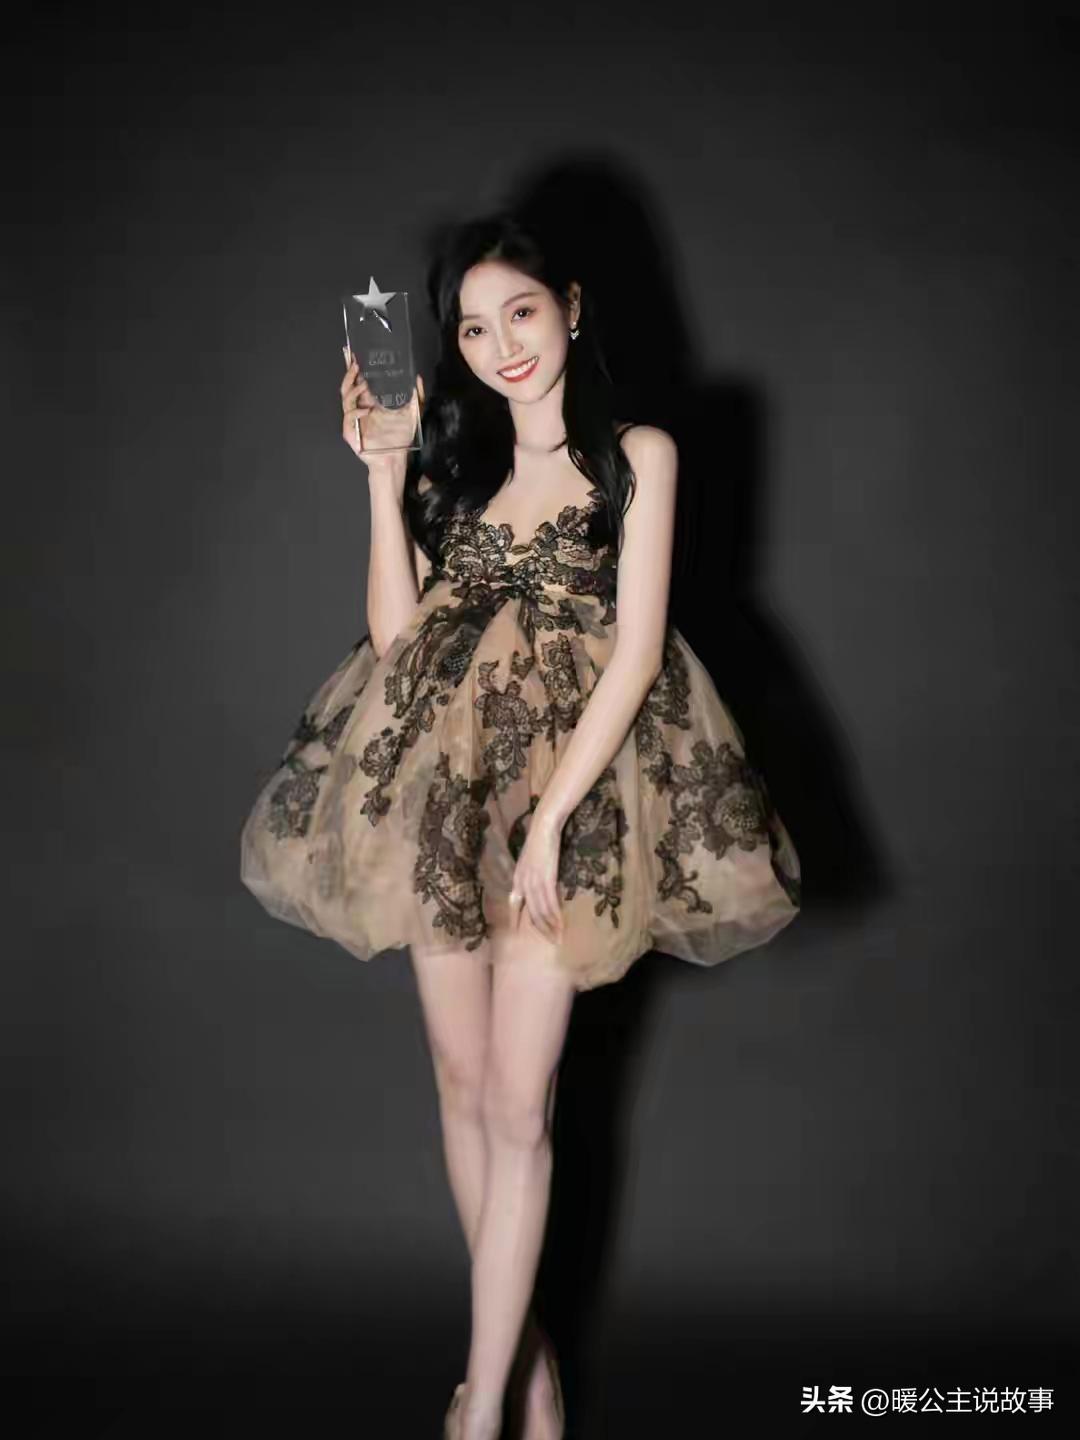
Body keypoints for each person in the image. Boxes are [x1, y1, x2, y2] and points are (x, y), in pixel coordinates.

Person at [240, 208, 801, 1440]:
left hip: (578, 811)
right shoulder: (461, 470)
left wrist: (550, 823)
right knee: (461, 1084)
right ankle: (530, 1369)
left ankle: (481, 1405)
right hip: (451, 805)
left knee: (518, 1107)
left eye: (523, 314)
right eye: (474, 330)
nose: (502, 348)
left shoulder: (638, 456)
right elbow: (399, 646)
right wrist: (382, 477)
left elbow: (638, 652)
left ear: (574, 310)